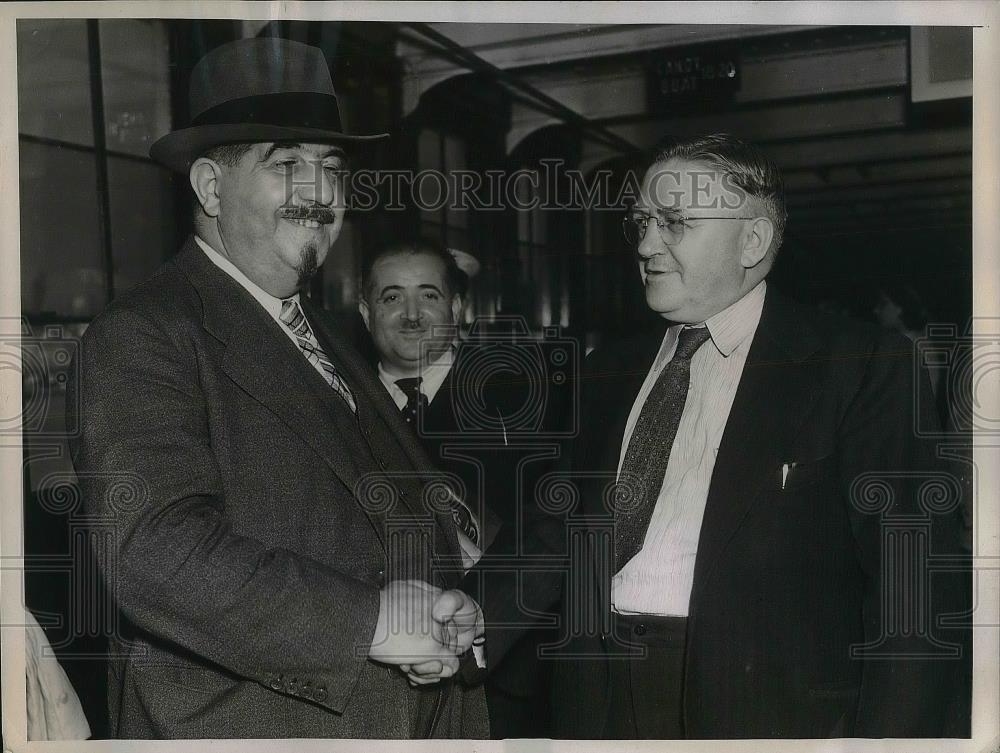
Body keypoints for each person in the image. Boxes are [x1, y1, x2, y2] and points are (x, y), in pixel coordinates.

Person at [482, 133, 970, 738]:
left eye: (675, 222)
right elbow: (558, 524)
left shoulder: (859, 365)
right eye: (641, 222)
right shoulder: (605, 369)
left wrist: (893, 742)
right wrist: (476, 614)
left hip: (771, 710)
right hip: (599, 699)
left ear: (753, 240)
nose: (645, 243)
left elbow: (912, 583)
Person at [67, 38, 486, 739]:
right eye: (286, 164)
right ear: (208, 187)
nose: (319, 193)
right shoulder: (145, 333)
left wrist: (452, 595)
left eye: (330, 168)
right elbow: (155, 550)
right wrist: (376, 621)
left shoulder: (320, 329)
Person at [358, 240, 566, 738]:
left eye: (428, 296)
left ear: (456, 307)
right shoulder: (334, 406)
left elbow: (554, 535)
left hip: (504, 679)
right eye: (391, 298)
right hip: (372, 677)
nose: (410, 315)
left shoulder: (529, 399)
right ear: (366, 313)